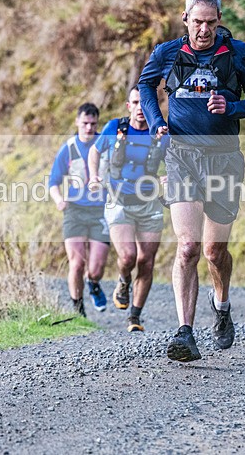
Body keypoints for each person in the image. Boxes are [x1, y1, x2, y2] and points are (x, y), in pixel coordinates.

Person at [138, 0, 245, 361]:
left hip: (224, 158)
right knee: (189, 246)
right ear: (185, 19)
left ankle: (222, 306)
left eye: (210, 23)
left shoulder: (237, 53)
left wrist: (231, 106)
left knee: (214, 250)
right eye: (197, 22)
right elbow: (145, 85)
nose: (204, 30)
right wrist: (156, 122)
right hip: (181, 156)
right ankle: (184, 333)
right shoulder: (168, 53)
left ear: (219, 21)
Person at [87, 86, 170, 332]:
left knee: (146, 261)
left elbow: (176, 162)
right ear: (129, 105)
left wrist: (169, 178)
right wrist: (93, 176)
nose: (140, 109)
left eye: (144, 103)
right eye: (135, 103)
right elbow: (94, 150)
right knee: (128, 256)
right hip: (119, 199)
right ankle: (123, 281)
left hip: (149, 201)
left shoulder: (162, 134)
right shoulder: (115, 128)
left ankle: (134, 316)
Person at [49, 103, 110, 317]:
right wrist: (59, 200)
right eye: (84, 123)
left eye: (93, 124)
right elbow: (53, 182)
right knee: (76, 263)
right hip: (74, 211)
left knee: (96, 267)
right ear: (77, 122)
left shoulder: (105, 144)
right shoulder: (68, 148)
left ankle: (93, 283)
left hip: (101, 211)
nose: (89, 128)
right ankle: (78, 309)